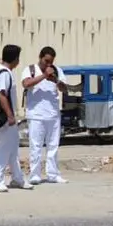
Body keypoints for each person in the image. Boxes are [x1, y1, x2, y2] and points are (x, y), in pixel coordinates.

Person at [22, 46, 69, 185]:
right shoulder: (30, 69)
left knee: (53, 146)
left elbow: (65, 89)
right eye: (46, 61)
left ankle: (53, 174)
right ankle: (35, 175)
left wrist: (55, 80)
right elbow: (26, 84)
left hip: (53, 115)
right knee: (35, 146)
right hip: (36, 115)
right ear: (40, 57)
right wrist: (43, 76)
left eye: (51, 62)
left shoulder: (57, 70)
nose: (49, 64)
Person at [0, 44, 32, 192]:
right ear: (15, 59)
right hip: (4, 118)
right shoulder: (3, 73)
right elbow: (1, 95)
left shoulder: (2, 71)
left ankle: (17, 178)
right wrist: (9, 115)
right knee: (3, 148)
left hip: (7, 117)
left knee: (13, 148)